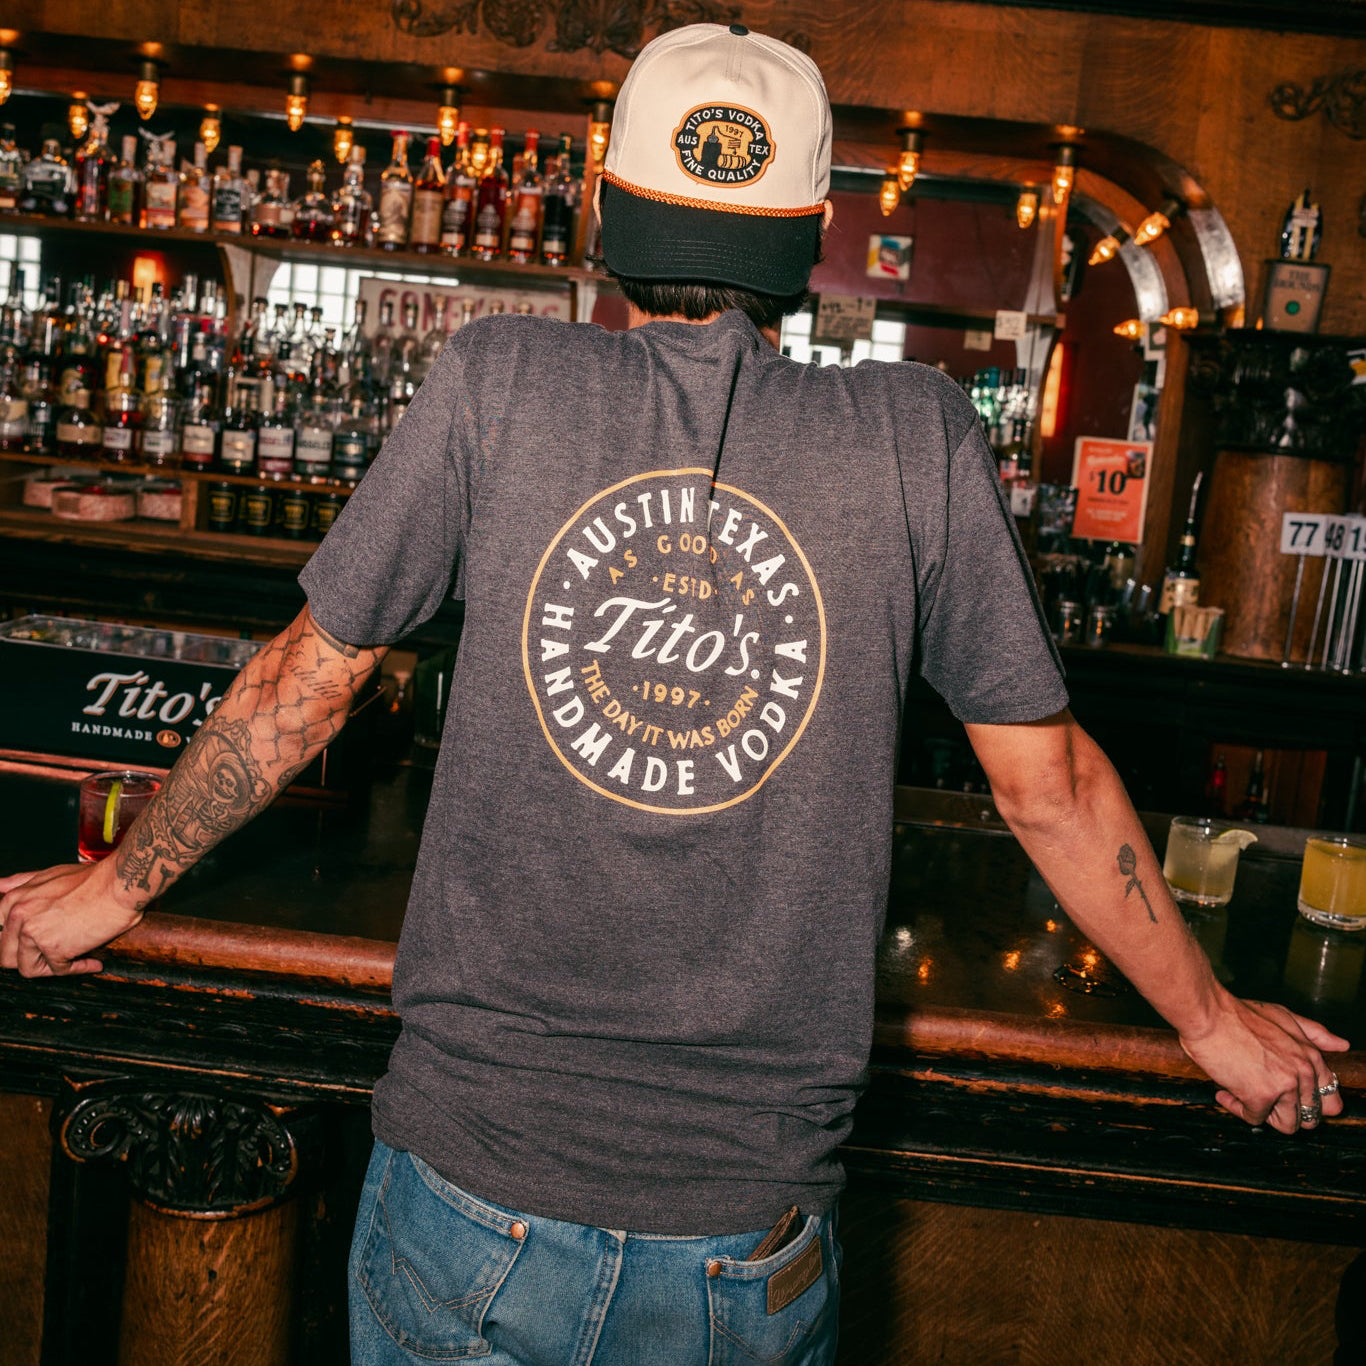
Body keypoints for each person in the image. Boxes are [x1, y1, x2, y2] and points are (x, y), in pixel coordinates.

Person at [0, 23, 1348, 1366]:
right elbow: (1044, 787)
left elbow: (311, 680)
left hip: (472, 1186)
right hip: (741, 1231)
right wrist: (1209, 1022)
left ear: (605, 209)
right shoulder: (912, 434)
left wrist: (110, 890)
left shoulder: (497, 381)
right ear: (811, 234)